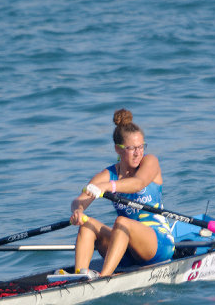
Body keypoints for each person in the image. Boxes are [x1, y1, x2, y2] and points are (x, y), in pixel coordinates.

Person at [70, 109, 176, 277]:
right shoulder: (108, 174)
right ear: (118, 149)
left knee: (122, 221)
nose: (138, 153)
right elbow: (80, 199)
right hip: (125, 248)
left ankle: (104, 278)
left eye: (141, 147)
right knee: (86, 224)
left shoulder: (150, 162)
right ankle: (79, 278)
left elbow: (138, 183)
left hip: (157, 245)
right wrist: (78, 210)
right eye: (132, 148)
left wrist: (108, 186)